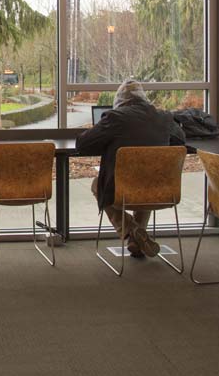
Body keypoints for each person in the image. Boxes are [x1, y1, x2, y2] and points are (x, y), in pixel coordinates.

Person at [76, 78, 186, 257]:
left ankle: (132, 230)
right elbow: (181, 140)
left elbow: (82, 144)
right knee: (148, 180)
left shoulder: (115, 118)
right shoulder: (164, 117)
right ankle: (138, 241)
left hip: (123, 189)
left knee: (98, 185)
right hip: (160, 189)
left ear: (119, 101)